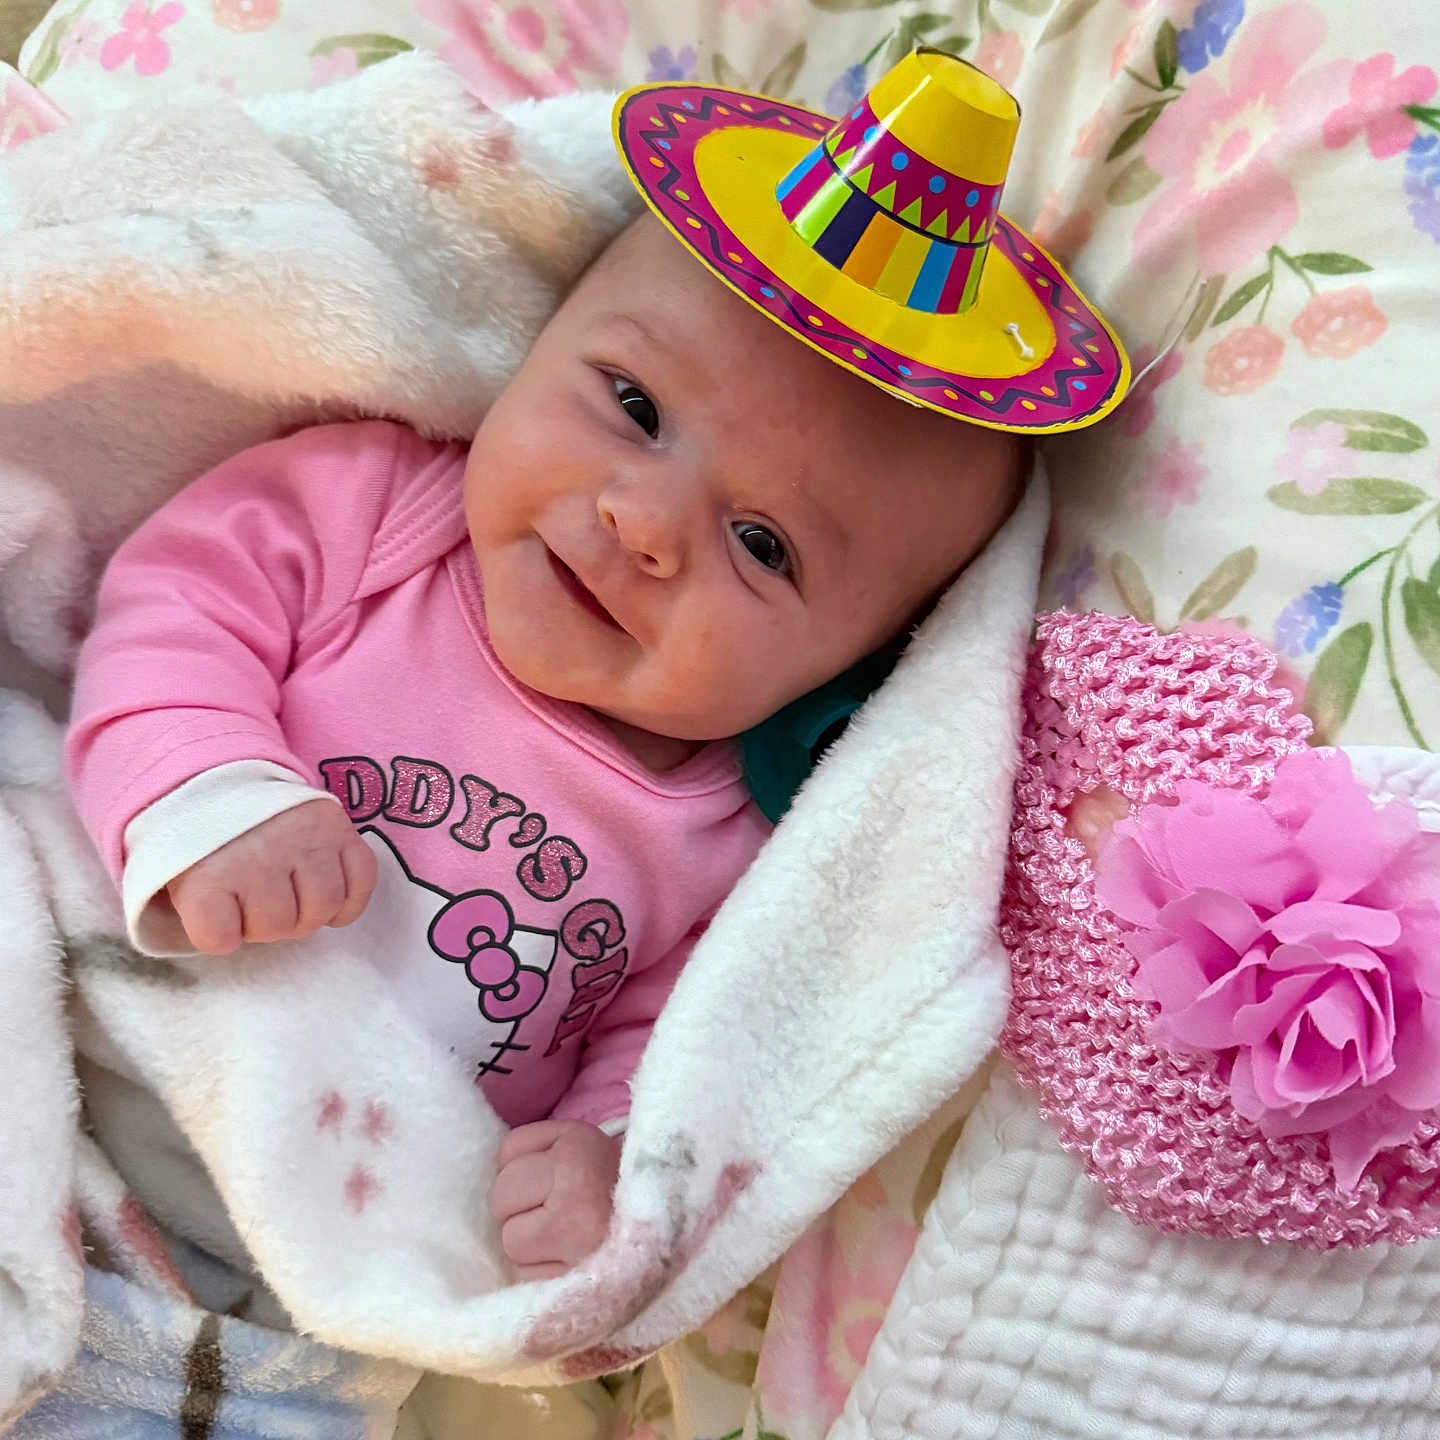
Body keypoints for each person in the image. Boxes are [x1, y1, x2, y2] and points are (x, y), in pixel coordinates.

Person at [64, 49, 1128, 1283]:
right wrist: (205, 789)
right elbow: (174, 605)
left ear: (857, 660)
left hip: (310, 1256)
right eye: (632, 404)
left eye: (763, 545)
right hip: (99, 1042)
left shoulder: (731, 846)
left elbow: (680, 1046)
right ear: (535, 342)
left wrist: (606, 1158)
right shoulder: (376, 510)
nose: (643, 521)